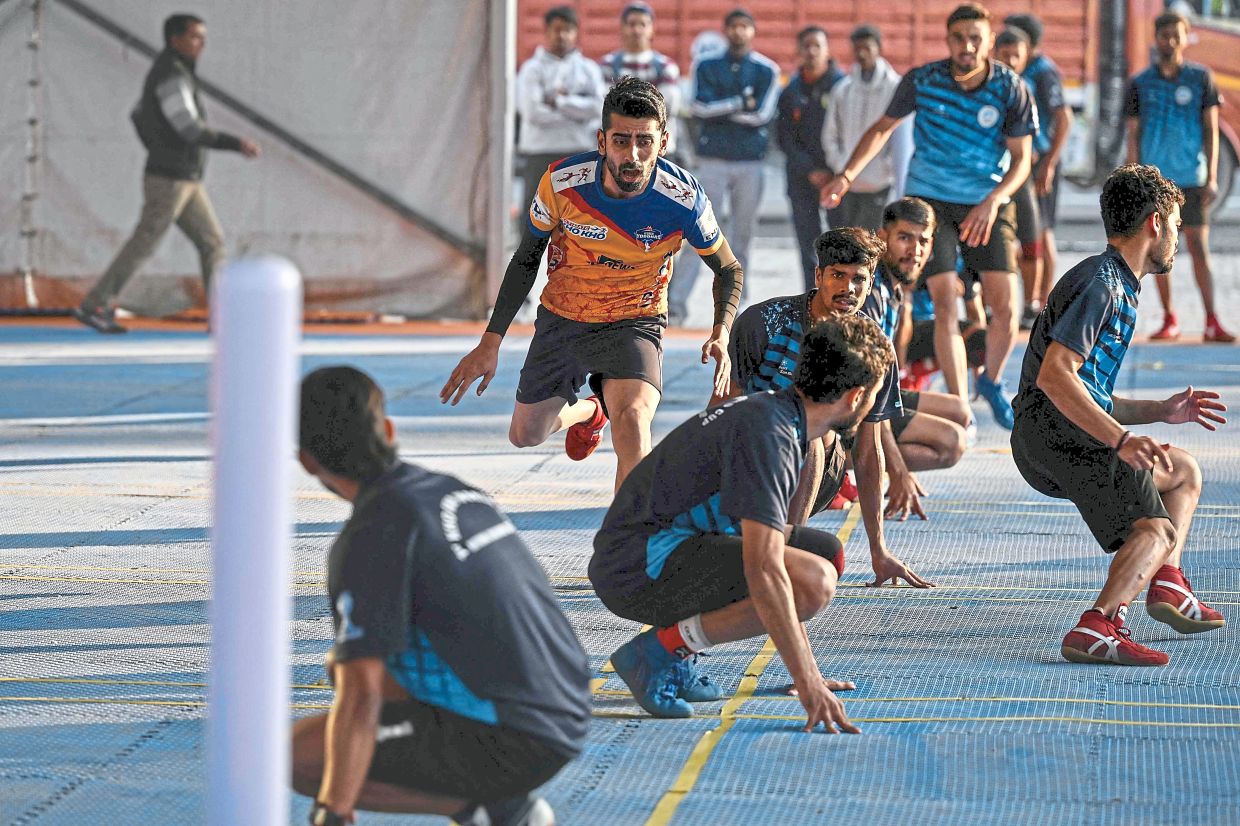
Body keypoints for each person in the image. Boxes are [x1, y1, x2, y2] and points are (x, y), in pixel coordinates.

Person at [291, 367, 590, 826]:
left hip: (519, 736)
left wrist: (333, 811)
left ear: (308, 461)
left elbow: (362, 698)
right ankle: (497, 805)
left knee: (297, 755)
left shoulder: (372, 537)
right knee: (354, 665)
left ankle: (491, 808)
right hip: (568, 704)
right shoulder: (450, 491)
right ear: (387, 430)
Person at [441, 78, 741, 492]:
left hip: (635, 320)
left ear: (664, 142)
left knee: (634, 424)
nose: (632, 156)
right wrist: (490, 341)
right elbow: (527, 258)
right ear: (602, 141)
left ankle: (626, 544)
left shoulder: (684, 199)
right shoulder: (561, 183)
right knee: (525, 434)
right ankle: (590, 412)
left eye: (644, 142)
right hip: (565, 317)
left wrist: (721, 332)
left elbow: (729, 270)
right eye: (620, 141)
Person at [590, 315, 893, 725]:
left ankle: (676, 647)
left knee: (824, 552)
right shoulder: (772, 437)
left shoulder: (778, 414)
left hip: (662, 544)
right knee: (813, 580)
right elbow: (764, 568)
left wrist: (808, 669)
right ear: (856, 397)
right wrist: (807, 681)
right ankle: (660, 652)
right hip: (634, 568)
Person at [1011, 164, 1228, 666]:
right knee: (1153, 530)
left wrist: (1158, 411)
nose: (1175, 235)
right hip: (1056, 432)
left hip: (1053, 429)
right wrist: (1121, 439)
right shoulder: (1104, 285)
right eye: (1174, 223)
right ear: (1155, 223)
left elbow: (1085, 390)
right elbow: (1055, 377)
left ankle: (1168, 584)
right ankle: (1099, 626)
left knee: (1183, 473)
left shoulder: (1115, 281)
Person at [822, 2, 1036, 430]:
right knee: (943, 301)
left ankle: (991, 382)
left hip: (985, 200)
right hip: (930, 203)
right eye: (959, 38)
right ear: (948, 40)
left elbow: (1022, 159)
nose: (968, 47)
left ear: (989, 41)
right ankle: (960, 408)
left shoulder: (1010, 88)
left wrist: (993, 201)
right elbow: (882, 128)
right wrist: (845, 175)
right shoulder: (923, 80)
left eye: (976, 38)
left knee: (1006, 309)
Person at [726, 228, 935, 585]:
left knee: (811, 436)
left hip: (817, 468)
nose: (848, 289)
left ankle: (782, 554)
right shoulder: (763, 322)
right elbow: (721, 409)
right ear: (818, 275)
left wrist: (878, 550)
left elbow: (868, 454)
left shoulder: (872, 348)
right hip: (750, 458)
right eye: (838, 275)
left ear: (870, 285)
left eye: (859, 279)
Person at [72, 13, 259, 334]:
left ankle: (222, 318)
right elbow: (188, 127)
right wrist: (234, 143)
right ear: (175, 40)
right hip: (170, 179)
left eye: (202, 37)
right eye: (195, 37)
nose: (202, 44)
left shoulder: (176, 72)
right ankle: (95, 304)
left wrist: (157, 145)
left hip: (184, 177)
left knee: (212, 242)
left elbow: (137, 115)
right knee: (145, 242)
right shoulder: (171, 74)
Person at [1125, 10, 1234, 343]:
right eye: (1164, 35)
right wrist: (1135, 179)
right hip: (1157, 182)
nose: (1170, 41)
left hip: (1192, 178)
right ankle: (1169, 318)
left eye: (1177, 35)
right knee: (1160, 252)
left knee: (1198, 247)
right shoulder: (1140, 83)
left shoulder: (1201, 78)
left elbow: (1211, 129)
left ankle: (1212, 320)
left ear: (1186, 38)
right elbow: (1133, 134)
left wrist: (1212, 176)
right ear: (1155, 39)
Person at [669, 8, 779, 324]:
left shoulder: (765, 70)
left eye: (745, 27)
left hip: (749, 163)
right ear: (726, 31)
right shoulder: (706, 65)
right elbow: (698, 107)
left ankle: (737, 306)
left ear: (752, 32)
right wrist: (737, 103)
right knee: (696, 231)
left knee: (743, 236)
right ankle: (676, 307)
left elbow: (761, 114)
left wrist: (723, 109)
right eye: (733, 27)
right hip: (713, 160)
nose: (739, 32)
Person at [865, 199, 970, 474]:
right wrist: (899, 471)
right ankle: (839, 466)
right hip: (849, 407)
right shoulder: (869, 293)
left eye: (923, 241)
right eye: (904, 238)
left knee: (960, 410)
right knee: (951, 442)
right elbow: (868, 396)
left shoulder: (894, 287)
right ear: (882, 237)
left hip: (875, 395)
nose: (915, 250)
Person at [1005, 12, 1072, 328]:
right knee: (1024, 236)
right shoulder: (1016, 68)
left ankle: (1043, 303)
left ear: (1028, 43)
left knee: (1042, 233)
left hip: (1040, 162)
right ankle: (1031, 299)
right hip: (1020, 162)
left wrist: (1049, 163)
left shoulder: (1044, 72)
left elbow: (1064, 118)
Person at [515, 6, 606, 219]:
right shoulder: (532, 69)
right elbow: (533, 113)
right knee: (535, 218)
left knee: (581, 218)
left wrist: (558, 101)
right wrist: (577, 115)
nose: (561, 35)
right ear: (546, 32)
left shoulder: (588, 69)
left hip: (579, 154)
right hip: (540, 154)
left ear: (575, 33)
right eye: (556, 29)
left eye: (567, 30)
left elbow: (598, 108)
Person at [822, 24, 912, 232]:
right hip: (847, 182)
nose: (862, 54)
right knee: (850, 241)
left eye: (867, 48)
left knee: (872, 242)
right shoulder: (843, 90)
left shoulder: (895, 87)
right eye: (857, 49)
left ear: (878, 49)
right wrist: (841, 164)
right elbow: (830, 134)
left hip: (881, 183)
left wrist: (887, 168)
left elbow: (902, 140)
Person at [776, 26, 845, 292]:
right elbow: (783, 139)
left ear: (828, 51)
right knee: (808, 244)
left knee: (840, 240)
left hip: (837, 177)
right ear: (799, 52)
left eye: (818, 45)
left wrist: (834, 171)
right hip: (801, 178)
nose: (812, 51)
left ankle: (840, 295)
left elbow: (849, 135)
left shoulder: (842, 87)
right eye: (807, 46)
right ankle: (811, 296)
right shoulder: (790, 92)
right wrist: (809, 170)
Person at [993, 28, 1044, 332]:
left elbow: (1033, 135)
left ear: (1026, 57)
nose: (1011, 60)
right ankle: (988, 304)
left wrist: (1040, 158)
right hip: (992, 177)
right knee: (992, 240)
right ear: (994, 53)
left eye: (1017, 55)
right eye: (1005, 54)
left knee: (1031, 238)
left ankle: (1030, 304)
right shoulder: (987, 87)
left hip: (1020, 175)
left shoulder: (1026, 88)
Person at [598, 2, 682, 162]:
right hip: (618, 149)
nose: (636, 30)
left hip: (658, 150)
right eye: (631, 24)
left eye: (642, 24)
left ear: (652, 29)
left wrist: (624, 108)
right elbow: (602, 106)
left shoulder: (666, 66)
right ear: (622, 28)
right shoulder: (606, 65)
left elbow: (669, 108)